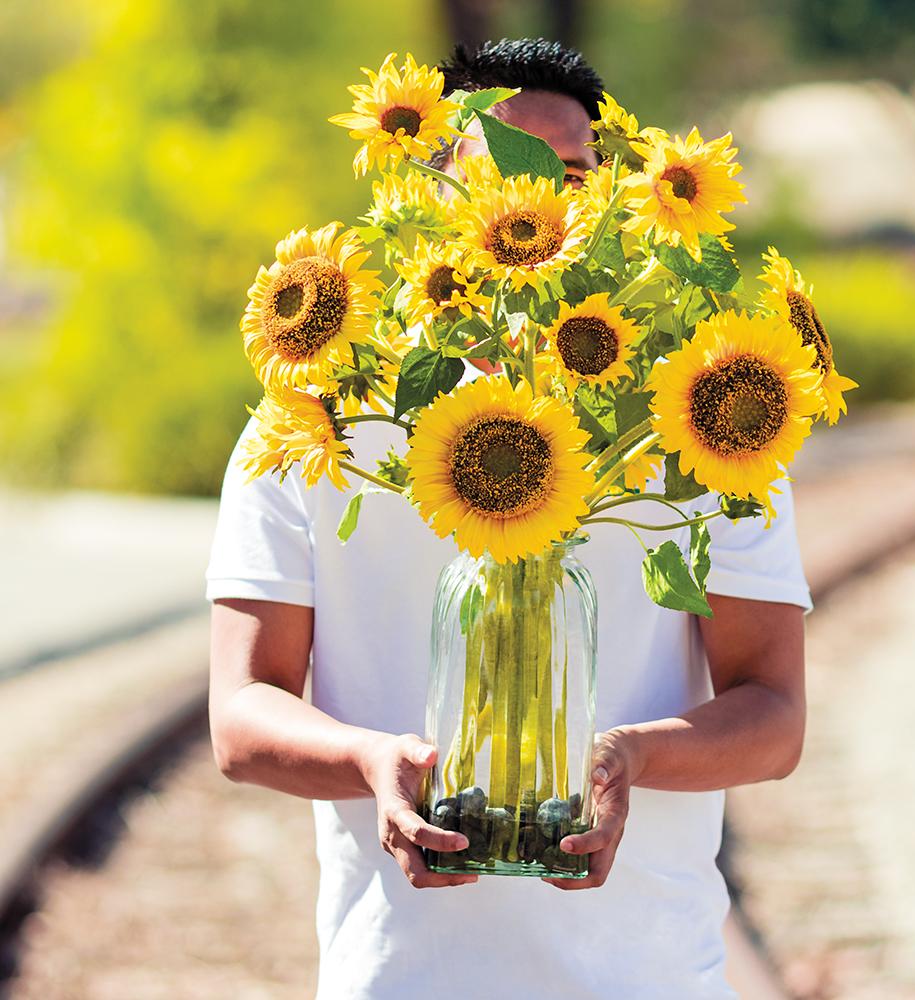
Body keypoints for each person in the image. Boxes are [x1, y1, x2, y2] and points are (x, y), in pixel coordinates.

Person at [206, 38, 810, 1000]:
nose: (540, 203)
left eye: (571, 176)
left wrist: (635, 756)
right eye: (502, 173)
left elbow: (773, 715)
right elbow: (241, 715)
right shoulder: (314, 421)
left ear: (613, 200)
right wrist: (369, 761)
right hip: (400, 977)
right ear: (433, 193)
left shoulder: (703, 426)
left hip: (648, 977)